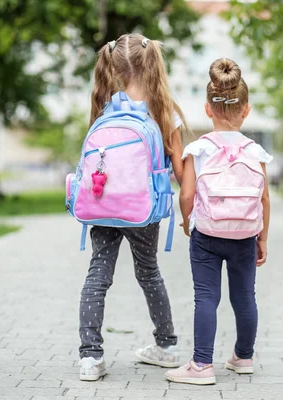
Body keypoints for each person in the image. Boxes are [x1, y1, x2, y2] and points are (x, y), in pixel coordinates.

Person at [78, 33, 187, 381]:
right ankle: (166, 346)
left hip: (104, 203)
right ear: (152, 61)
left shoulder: (104, 105)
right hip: (143, 209)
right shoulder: (164, 110)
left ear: (114, 66)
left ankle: (90, 357)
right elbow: (181, 172)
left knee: (98, 275)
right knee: (149, 272)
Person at [166, 58, 272, 385]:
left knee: (206, 297)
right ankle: (243, 357)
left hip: (207, 235)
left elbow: (186, 196)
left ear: (208, 109)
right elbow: (264, 199)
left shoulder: (199, 149)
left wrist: (188, 222)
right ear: (247, 110)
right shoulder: (255, 151)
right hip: (244, 235)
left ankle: (201, 365)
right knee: (244, 298)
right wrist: (262, 238)